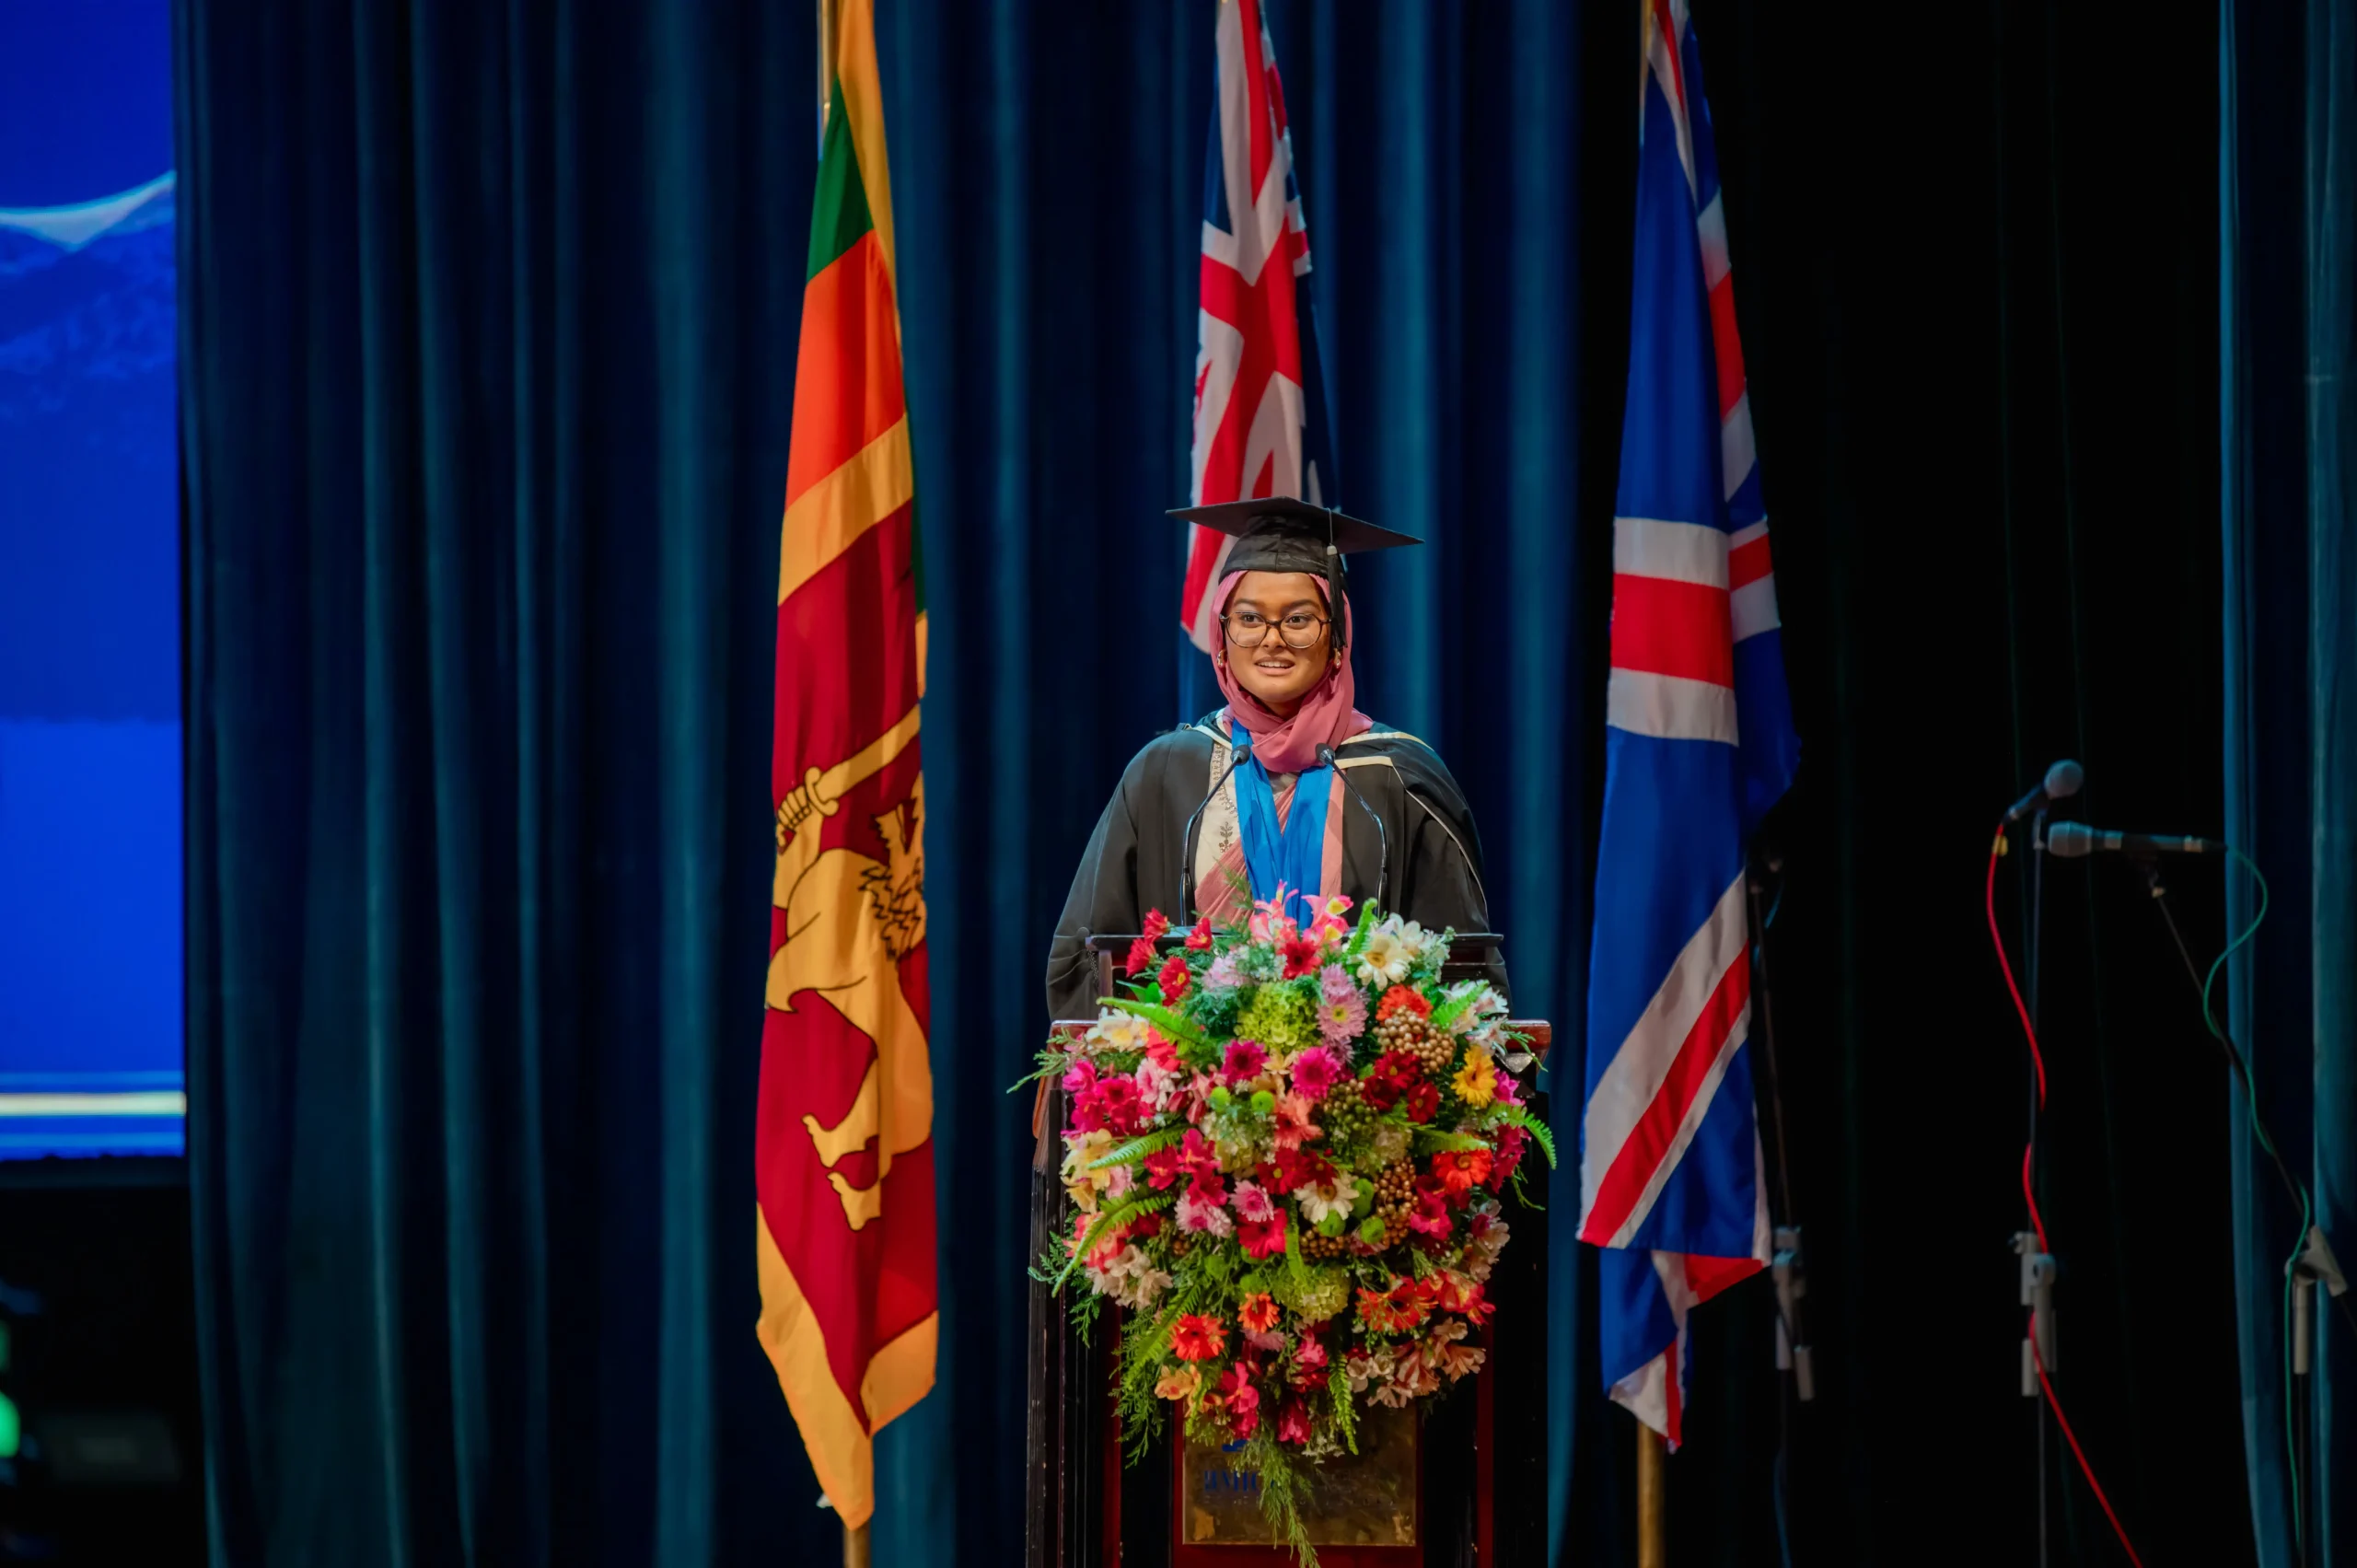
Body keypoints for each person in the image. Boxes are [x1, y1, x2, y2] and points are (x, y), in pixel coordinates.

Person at [1045, 498, 1504, 1023]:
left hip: (1358, 1069)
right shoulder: (1166, 773)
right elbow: (1087, 957)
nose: (1272, 640)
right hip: (1194, 1072)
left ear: (1337, 636)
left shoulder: (1398, 777)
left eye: (1299, 620)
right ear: (1221, 636)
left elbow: (1462, 970)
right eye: (1248, 618)